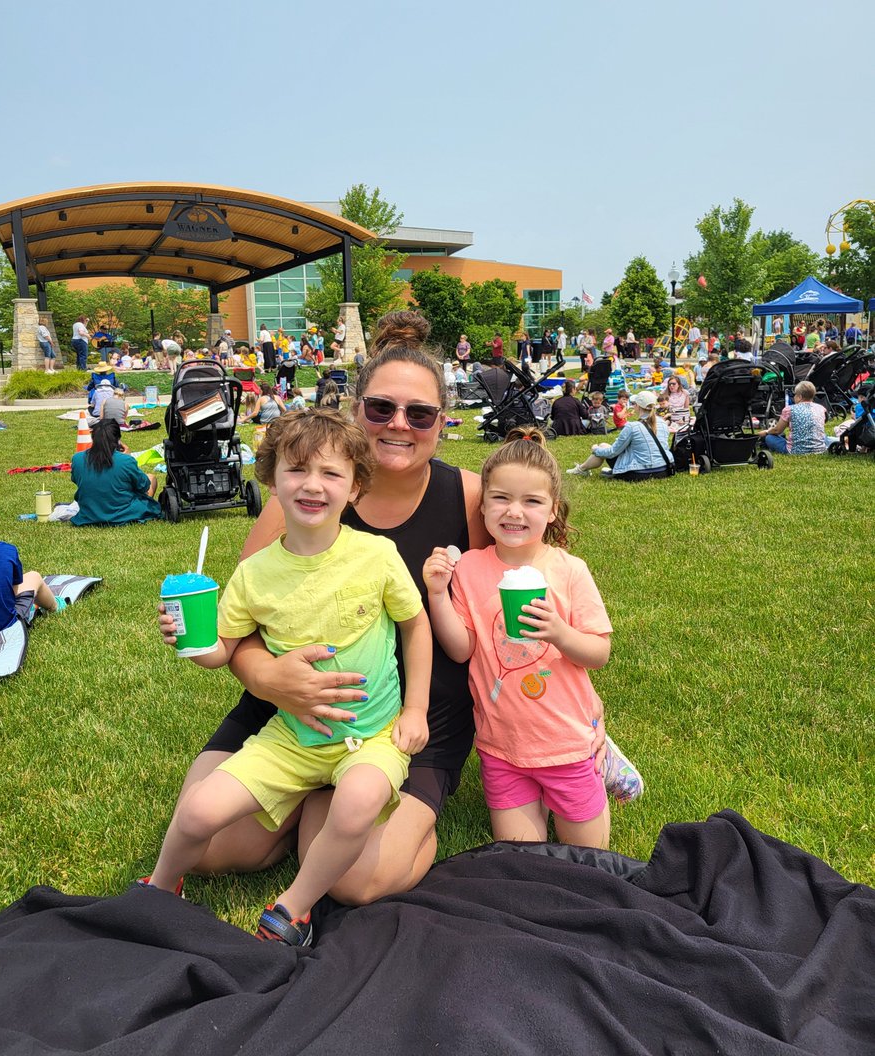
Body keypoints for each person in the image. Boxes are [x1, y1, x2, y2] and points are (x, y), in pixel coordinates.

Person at [156, 312, 634, 905]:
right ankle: (301, 801)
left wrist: (578, 706)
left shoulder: (469, 497)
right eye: (381, 408)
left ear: (440, 422)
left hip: (410, 724)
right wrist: (270, 678)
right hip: (284, 713)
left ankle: (341, 812)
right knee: (205, 849)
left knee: (355, 880)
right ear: (356, 411)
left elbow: (537, 586)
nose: (399, 425)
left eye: (420, 414)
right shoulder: (300, 494)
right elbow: (241, 625)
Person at [145, 412, 432, 946]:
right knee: (198, 810)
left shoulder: (376, 555)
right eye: (297, 470)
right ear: (271, 479)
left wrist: (415, 709)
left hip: (371, 736)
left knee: (358, 800)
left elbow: (416, 628)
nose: (313, 485)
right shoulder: (255, 573)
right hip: (292, 737)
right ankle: (161, 887)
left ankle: (292, 908)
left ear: (355, 488)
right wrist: (197, 643)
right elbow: (223, 652)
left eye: (332, 473)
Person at [424, 429, 630, 848]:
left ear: (553, 511)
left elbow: (599, 652)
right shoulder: (470, 569)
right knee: (522, 860)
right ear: (482, 506)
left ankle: (602, 759)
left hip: (566, 743)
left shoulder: (569, 570)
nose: (514, 511)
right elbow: (461, 648)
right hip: (502, 747)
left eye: (532, 501)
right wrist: (436, 594)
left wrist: (559, 633)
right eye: (500, 498)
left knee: (589, 858)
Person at [0, 491, 66, 643]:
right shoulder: (6, 551)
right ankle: (55, 605)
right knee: (33, 577)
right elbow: (15, 588)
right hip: (1, 628)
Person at [70, 419, 162, 525]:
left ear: (93, 437)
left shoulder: (77, 459)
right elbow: (144, 485)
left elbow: (76, 480)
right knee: (151, 478)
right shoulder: (126, 461)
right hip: (124, 513)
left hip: (90, 513)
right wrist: (127, 458)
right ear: (118, 440)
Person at [568, 390, 675, 480]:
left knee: (603, 446)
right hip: (663, 469)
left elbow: (612, 452)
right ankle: (582, 469)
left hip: (639, 472)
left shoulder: (632, 427)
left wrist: (595, 449)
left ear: (637, 406)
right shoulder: (662, 423)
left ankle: (581, 469)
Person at [761, 381, 826, 455]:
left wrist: (766, 432)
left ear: (800, 397)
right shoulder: (821, 408)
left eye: (795, 395)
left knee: (769, 438)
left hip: (795, 451)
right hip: (820, 450)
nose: (794, 397)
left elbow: (777, 430)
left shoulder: (789, 409)